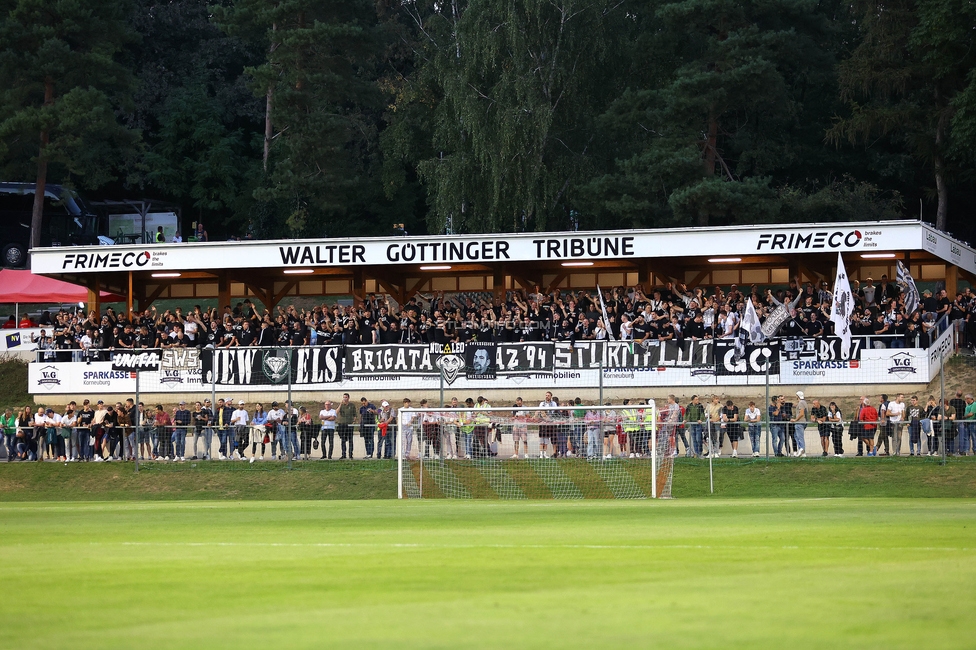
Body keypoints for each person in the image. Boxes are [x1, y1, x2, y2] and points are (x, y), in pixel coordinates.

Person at [336, 393, 357, 459]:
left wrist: (353, 421)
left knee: (350, 439)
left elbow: (355, 415)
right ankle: (343, 454)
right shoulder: (341, 405)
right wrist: (340, 404)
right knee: (343, 440)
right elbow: (336, 412)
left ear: (348, 398)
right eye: (344, 397)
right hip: (342, 424)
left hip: (349, 424)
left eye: (346, 397)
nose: (345, 398)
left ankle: (350, 454)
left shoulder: (352, 405)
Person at [791, 390, 808, 458]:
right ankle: (802, 451)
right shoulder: (804, 402)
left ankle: (801, 449)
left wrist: (795, 420)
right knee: (796, 436)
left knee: (799, 437)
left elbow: (801, 413)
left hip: (800, 422)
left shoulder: (801, 403)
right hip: (803, 422)